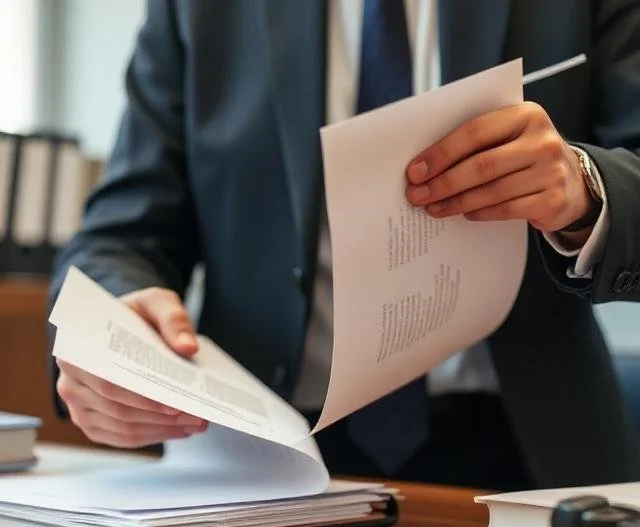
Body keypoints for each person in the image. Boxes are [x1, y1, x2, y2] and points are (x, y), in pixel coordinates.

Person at [49, 0, 640, 491]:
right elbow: (120, 234)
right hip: (262, 459)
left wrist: (583, 183)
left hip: (529, 458)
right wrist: (112, 337)